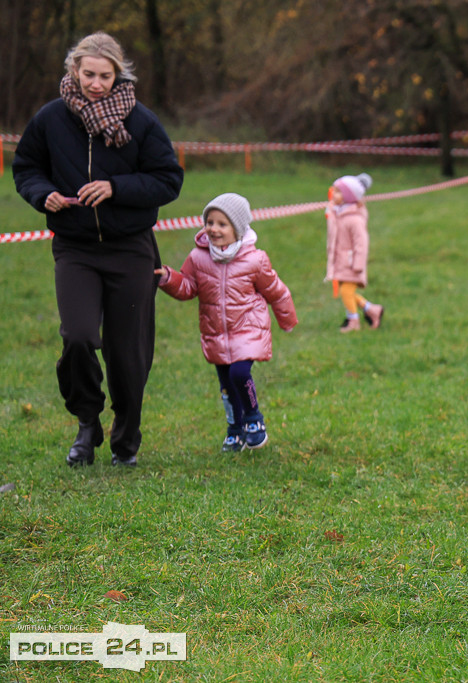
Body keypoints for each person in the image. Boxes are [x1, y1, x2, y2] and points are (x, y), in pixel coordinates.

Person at [12, 31, 184, 467]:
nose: (95, 83)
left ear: (118, 73)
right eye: (88, 74)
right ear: (74, 69)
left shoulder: (141, 121)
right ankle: (87, 422)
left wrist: (115, 187)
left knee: (129, 355)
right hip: (76, 249)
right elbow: (27, 166)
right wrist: (41, 193)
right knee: (79, 337)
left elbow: (169, 179)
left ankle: (126, 437)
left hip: (131, 250)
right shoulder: (50, 119)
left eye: (105, 75)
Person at [155, 193, 297, 452]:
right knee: (226, 386)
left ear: (238, 228)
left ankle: (254, 419)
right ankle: (235, 429)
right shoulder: (198, 258)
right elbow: (188, 287)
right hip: (216, 332)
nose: (214, 229)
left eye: (222, 224)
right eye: (210, 222)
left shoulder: (255, 259)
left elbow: (276, 291)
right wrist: (168, 278)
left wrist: (286, 319)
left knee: (239, 373)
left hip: (248, 328)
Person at [325, 173, 384, 333]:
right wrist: (330, 212)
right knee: (347, 292)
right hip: (342, 261)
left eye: (338, 191)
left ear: (348, 196)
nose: (333, 194)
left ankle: (353, 322)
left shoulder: (355, 219)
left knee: (346, 291)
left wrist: (358, 264)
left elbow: (361, 243)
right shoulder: (340, 212)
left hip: (351, 263)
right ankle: (372, 309)